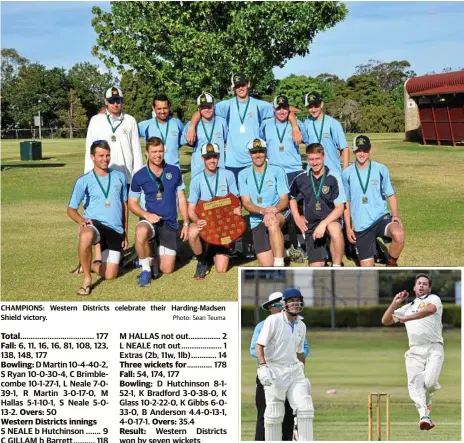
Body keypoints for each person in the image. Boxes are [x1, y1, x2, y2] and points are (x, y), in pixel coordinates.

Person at [185, 72, 302, 185]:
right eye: (237, 86)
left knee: (254, 198)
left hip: (253, 160)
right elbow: (203, 110)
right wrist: (191, 127)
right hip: (232, 162)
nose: (240, 88)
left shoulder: (260, 105)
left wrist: (295, 128)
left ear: (248, 84)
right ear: (233, 88)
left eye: (243, 84)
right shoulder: (225, 105)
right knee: (235, 201)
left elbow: (285, 110)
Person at [381, 273, 443, 431]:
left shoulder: (434, 299)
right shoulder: (407, 308)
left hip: (434, 348)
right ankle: (424, 416)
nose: (421, 285)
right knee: (415, 384)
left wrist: (408, 319)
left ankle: (428, 398)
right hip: (415, 349)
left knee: (428, 383)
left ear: (429, 287)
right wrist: (395, 304)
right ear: (414, 287)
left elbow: (429, 311)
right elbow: (386, 321)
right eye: (419, 283)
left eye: (425, 284)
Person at [67, 140, 128, 295]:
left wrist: (125, 232)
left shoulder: (120, 177)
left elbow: (124, 206)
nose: (105, 159)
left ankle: (89, 265)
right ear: (92, 157)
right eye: (101, 155)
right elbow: (71, 209)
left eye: (107, 155)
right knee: (86, 234)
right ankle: (87, 279)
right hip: (95, 224)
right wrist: (81, 221)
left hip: (115, 229)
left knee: (110, 274)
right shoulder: (84, 180)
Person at [128, 137, 190, 287]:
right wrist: (146, 215)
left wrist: (186, 223)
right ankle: (145, 270)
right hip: (149, 221)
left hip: (169, 223)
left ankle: (151, 257)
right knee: (141, 231)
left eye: (160, 151)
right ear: (147, 153)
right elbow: (132, 203)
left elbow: (181, 197)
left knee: (166, 269)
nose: (157, 155)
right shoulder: (139, 175)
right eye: (154, 151)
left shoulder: (174, 171)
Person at [256, 288, 314, 441]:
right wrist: (263, 366)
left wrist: (301, 368)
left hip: (294, 370)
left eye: (298, 300)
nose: (296, 303)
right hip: (275, 369)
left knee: (305, 409)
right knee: (275, 413)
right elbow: (259, 345)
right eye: (291, 300)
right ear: (284, 304)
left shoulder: (302, 326)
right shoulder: (273, 321)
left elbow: (300, 352)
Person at [342, 135, 405, 267]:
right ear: (353, 151)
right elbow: (346, 202)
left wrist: (395, 214)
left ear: (370, 150)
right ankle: (369, 251)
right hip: (361, 225)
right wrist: (348, 227)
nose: (362, 154)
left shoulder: (381, 169)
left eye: (365, 150)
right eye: (358, 150)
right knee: (367, 269)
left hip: (380, 217)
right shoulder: (346, 173)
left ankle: (391, 264)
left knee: (399, 234)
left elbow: (391, 194)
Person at [187, 143, 240, 279]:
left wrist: (237, 209)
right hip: (206, 223)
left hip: (224, 225)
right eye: (208, 157)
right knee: (192, 232)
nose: (212, 160)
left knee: (221, 269)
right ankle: (201, 261)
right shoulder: (196, 180)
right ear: (202, 159)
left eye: (214, 157)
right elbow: (191, 209)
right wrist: (197, 221)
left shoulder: (228, 175)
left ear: (219, 157)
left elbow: (236, 200)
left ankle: (215, 249)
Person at [289, 143, 346, 266]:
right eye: (311, 159)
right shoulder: (301, 178)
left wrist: (323, 223)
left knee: (334, 229)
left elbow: (340, 208)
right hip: (312, 224)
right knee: (317, 268)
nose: (314, 163)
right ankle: (322, 256)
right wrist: (297, 216)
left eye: (317, 159)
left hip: (330, 220)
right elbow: (292, 197)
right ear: (307, 159)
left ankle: (336, 266)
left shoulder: (334, 177)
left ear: (324, 157)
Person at [238, 138, 289, 267]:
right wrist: (263, 211)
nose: (258, 155)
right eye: (254, 152)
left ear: (265, 152)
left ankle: (279, 265)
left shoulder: (277, 170)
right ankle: (281, 250)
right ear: (249, 154)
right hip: (257, 220)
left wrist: (273, 210)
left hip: (278, 214)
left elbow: (284, 199)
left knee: (272, 222)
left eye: (260, 151)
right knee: (266, 265)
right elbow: (246, 203)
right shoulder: (243, 174)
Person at [85, 86, 143, 183]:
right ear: (106, 101)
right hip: (102, 177)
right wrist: (88, 175)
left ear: (122, 101)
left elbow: (136, 150)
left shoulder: (130, 120)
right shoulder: (96, 120)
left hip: (126, 177)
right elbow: (89, 150)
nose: (115, 104)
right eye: (112, 101)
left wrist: (139, 177)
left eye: (118, 101)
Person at [259, 95, 308, 185]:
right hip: (274, 171)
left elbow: (309, 144)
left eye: (284, 108)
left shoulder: (298, 124)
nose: (282, 111)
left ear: (289, 108)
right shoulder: (265, 124)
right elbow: (261, 145)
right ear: (273, 109)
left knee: (296, 199)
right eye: (278, 108)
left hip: (295, 170)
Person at [181, 93, 228, 178]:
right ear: (198, 109)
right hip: (199, 169)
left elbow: (226, 140)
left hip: (219, 168)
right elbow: (184, 141)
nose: (206, 110)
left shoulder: (222, 122)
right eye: (203, 107)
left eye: (209, 106)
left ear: (214, 106)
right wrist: (192, 128)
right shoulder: (191, 125)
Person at [303, 92, 349, 175]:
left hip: (332, 172)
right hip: (313, 174)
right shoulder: (306, 124)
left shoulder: (333, 123)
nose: (313, 110)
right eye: (310, 107)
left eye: (316, 106)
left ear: (321, 104)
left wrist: (345, 173)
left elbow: (345, 148)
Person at [138, 93, 185, 169]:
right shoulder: (145, 125)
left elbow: (187, 137)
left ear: (169, 107)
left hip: (174, 169)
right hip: (153, 171)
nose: (162, 111)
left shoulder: (177, 123)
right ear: (153, 108)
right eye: (159, 109)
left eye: (165, 108)